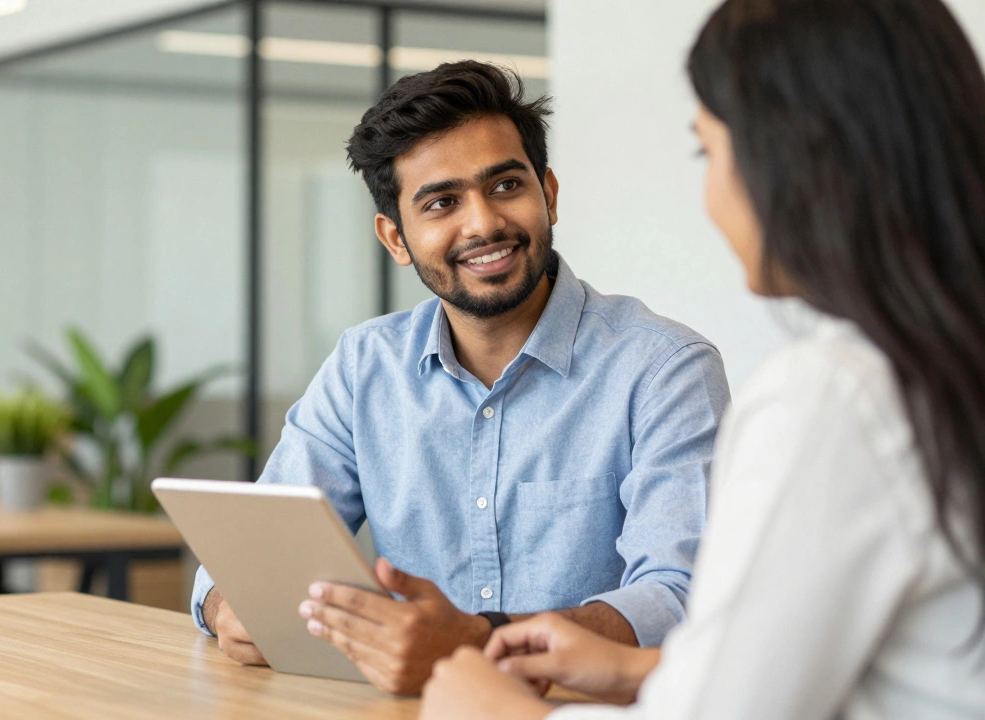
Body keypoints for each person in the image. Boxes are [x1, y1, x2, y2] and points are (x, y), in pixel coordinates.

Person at [418, 0, 985, 717]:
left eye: (707, 150)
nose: (710, 193)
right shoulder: (937, 362)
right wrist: (644, 670)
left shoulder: (833, 395)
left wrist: (497, 710)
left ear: (789, 158)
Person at [191, 61, 731, 696]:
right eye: (442, 202)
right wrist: (232, 607)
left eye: (504, 185)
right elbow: (245, 558)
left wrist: (480, 641)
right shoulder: (365, 366)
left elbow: (679, 599)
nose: (482, 224)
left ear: (548, 193)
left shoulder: (665, 370)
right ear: (396, 237)